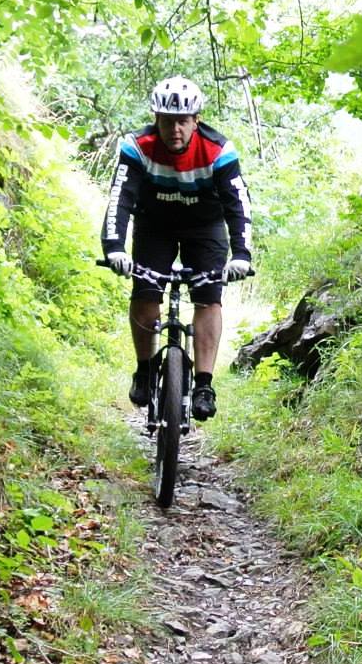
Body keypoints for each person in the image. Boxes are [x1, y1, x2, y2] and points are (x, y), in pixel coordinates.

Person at [100, 75, 253, 421]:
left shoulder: (218, 149)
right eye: (167, 121)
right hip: (155, 225)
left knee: (208, 296)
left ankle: (203, 384)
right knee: (145, 291)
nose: (175, 129)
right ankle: (144, 369)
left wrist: (241, 255)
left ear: (196, 120)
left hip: (205, 226)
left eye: (183, 121)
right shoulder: (137, 146)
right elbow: (119, 199)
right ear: (156, 119)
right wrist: (114, 248)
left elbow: (238, 204)